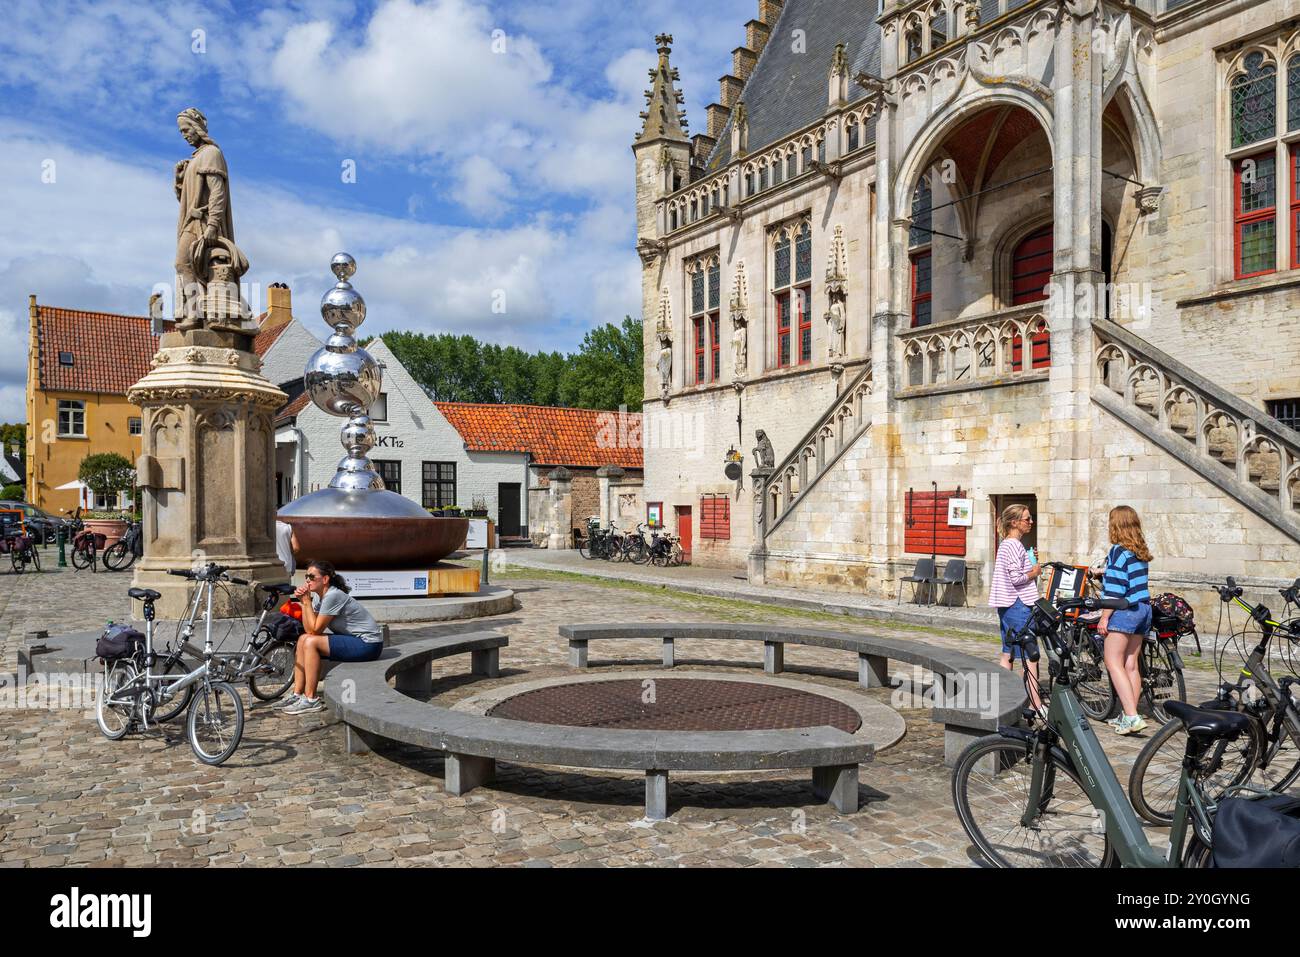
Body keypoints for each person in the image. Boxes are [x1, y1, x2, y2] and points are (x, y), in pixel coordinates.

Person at [281, 560, 383, 715]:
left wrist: (306, 602)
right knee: (303, 639)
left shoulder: (333, 596)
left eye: (311, 576)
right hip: (354, 640)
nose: (307, 580)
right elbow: (309, 629)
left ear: (325, 579)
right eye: (306, 576)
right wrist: (305, 603)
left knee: (311, 643)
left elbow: (316, 630)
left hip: (368, 644)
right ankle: (297, 694)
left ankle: (311, 699)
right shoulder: (319, 597)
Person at [1098, 505, 1154, 735]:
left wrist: (1104, 618)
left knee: (1113, 663)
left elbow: (1114, 591)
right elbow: (1130, 579)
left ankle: (1131, 716)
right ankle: (1130, 714)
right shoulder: (1140, 550)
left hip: (1124, 611)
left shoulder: (1117, 551)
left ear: (1116, 525)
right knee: (1131, 665)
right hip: (1143, 608)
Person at [989, 504, 1042, 706]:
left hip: (1008, 604)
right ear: (1014, 522)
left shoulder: (1008, 544)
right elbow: (1017, 578)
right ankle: (1036, 703)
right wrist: (1034, 572)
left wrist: (1029, 560)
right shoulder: (1012, 544)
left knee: (1008, 652)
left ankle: (1004, 698)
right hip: (1017, 604)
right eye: (1027, 519)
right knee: (1030, 655)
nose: (1031, 522)